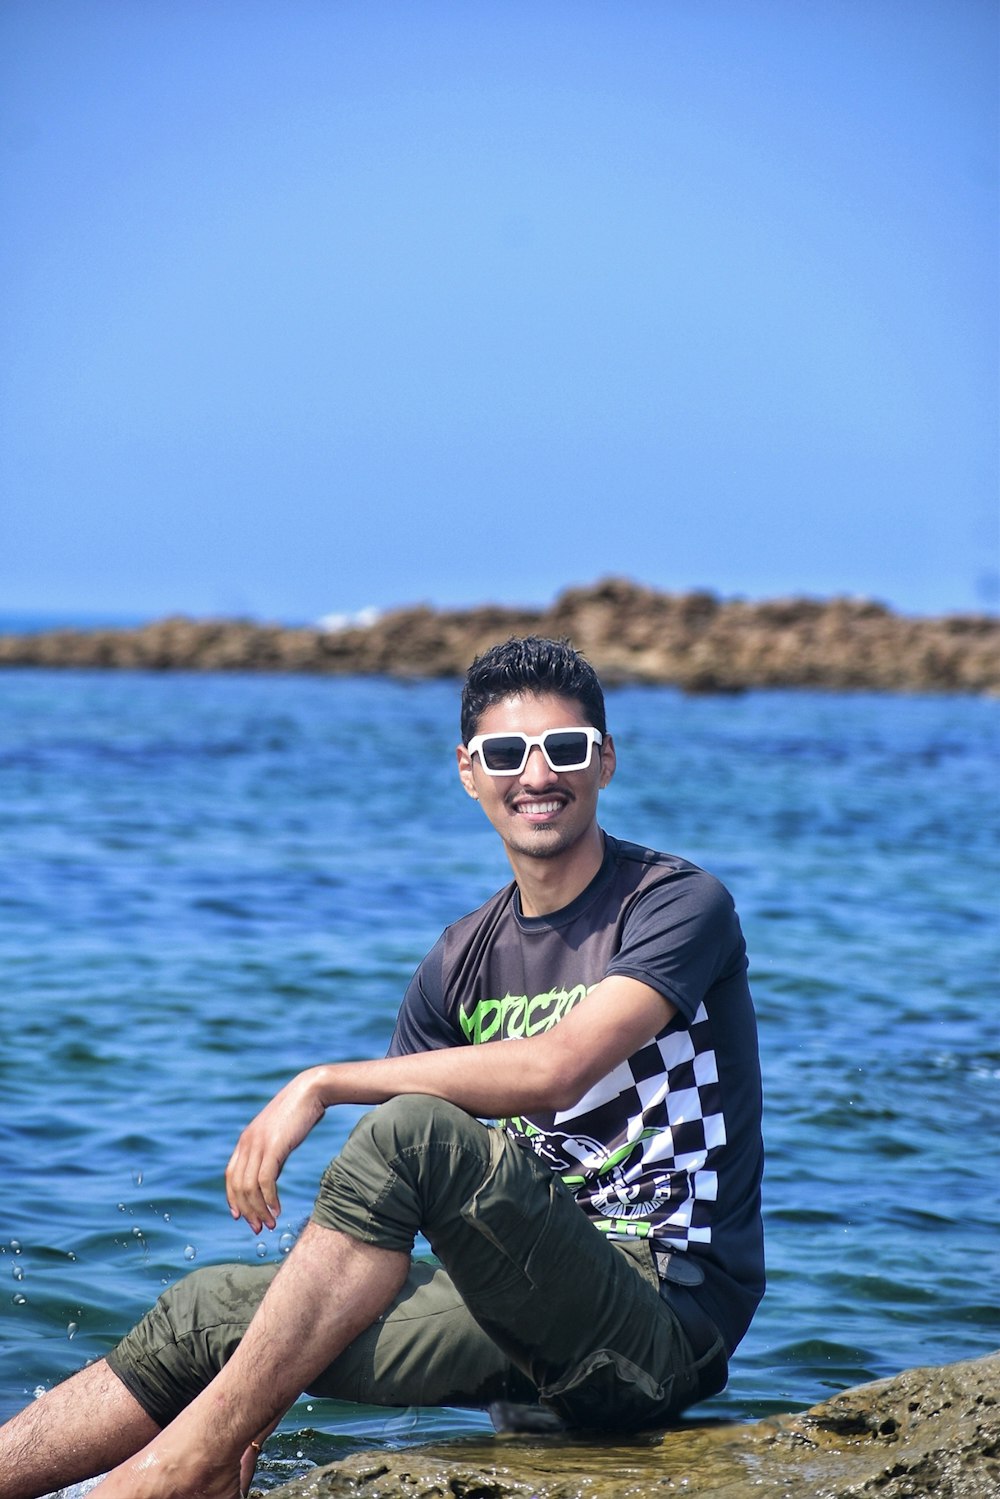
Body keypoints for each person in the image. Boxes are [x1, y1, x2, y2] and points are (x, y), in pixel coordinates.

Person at [0, 636, 764, 1499]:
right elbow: (391, 1209)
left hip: (659, 1313)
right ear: (469, 772)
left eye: (566, 748)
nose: (538, 774)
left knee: (408, 1126)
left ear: (606, 760)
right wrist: (259, 1382)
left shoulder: (672, 901)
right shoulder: (460, 957)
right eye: (508, 753)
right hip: (523, 1320)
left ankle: (185, 1464)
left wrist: (319, 1080)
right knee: (207, 1310)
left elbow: (557, 1068)